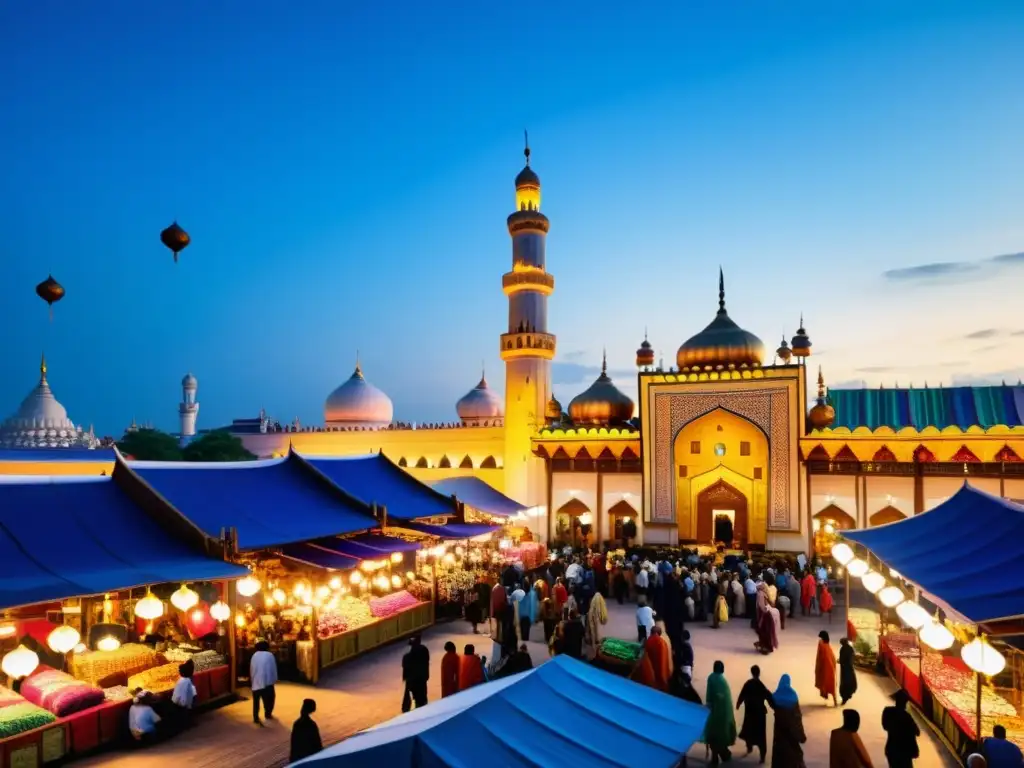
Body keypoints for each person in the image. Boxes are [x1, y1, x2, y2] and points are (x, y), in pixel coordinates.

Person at [736, 665, 774, 764]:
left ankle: (749, 747)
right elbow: (768, 697)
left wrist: (738, 704)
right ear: (759, 673)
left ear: (752, 673)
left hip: (750, 712)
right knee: (761, 735)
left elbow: (742, 694)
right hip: (760, 714)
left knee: (749, 730)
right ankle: (762, 756)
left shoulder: (748, 684)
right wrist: (775, 707)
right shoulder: (761, 685)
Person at [704, 660, 737, 766]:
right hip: (725, 711)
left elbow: (709, 696)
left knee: (713, 735)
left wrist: (707, 707)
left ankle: (716, 759)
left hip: (715, 711)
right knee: (721, 734)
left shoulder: (711, 678)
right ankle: (724, 754)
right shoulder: (723, 680)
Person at [771, 674, 807, 768]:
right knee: (795, 756)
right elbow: (798, 717)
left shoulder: (776, 696)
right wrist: (801, 735)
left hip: (779, 734)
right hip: (791, 733)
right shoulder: (793, 696)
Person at [881, 690, 919, 768]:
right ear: (906, 703)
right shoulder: (907, 717)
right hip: (904, 753)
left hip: (891, 749)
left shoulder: (887, 712)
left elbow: (885, 726)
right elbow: (917, 732)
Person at [250, 640, 278, 725]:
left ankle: (255, 717)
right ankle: (268, 714)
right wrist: (274, 679)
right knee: (269, 699)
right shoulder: (269, 655)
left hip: (256, 682)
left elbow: (252, 669)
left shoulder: (254, 655)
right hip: (267, 682)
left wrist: (252, 680)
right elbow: (273, 668)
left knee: (256, 701)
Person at [401, 635, 430, 712]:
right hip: (421, 680)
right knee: (421, 700)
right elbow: (426, 665)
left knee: (408, 698)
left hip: (412, 681)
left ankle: (406, 710)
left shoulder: (407, 657)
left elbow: (405, 673)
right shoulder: (424, 650)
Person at [290, 698, 323, 763]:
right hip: (309, 755)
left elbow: (294, 742)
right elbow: (317, 742)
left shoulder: (297, 723)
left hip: (299, 756)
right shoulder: (312, 724)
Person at [169, 660, 196, 732]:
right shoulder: (187, 680)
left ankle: (185, 725)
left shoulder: (182, 680)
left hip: (179, 701)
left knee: (183, 714)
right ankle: (186, 725)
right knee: (185, 714)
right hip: (183, 702)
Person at [644, 627, 672, 691]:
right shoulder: (663, 643)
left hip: (651, 670)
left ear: (651, 632)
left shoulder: (648, 641)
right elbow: (665, 660)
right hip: (661, 671)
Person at [815, 630, 838, 706]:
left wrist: (818, 668)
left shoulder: (821, 644)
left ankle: (826, 695)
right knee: (831, 684)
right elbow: (832, 657)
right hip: (830, 667)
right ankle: (835, 702)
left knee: (824, 682)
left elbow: (820, 657)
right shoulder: (827, 645)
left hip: (825, 667)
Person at [839, 637, 858, 705]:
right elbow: (852, 658)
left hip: (845, 669)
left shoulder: (843, 649)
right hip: (849, 668)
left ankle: (845, 697)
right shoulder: (850, 648)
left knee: (845, 683)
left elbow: (843, 659)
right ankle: (846, 696)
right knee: (848, 682)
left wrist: (840, 661)